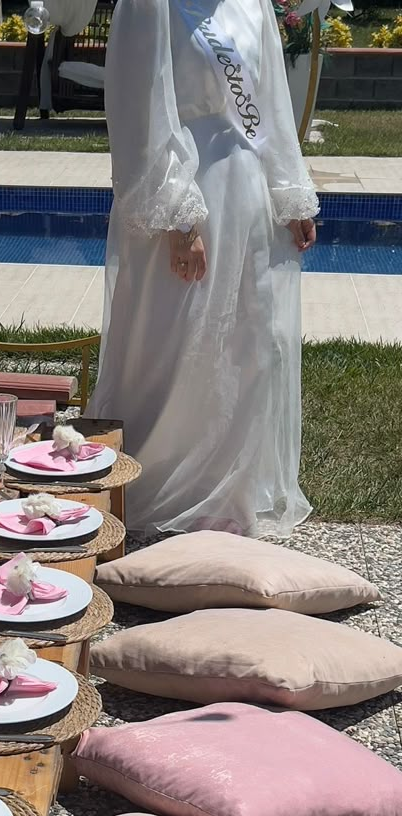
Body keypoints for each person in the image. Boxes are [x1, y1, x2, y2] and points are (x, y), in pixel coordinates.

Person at [86, 0, 319, 537]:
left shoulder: (251, 4)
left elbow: (272, 105)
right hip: (183, 198)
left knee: (246, 345)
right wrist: (180, 219)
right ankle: (159, 491)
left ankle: (230, 496)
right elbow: (139, 110)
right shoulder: (150, 6)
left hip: (246, 194)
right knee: (176, 340)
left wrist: (291, 193)